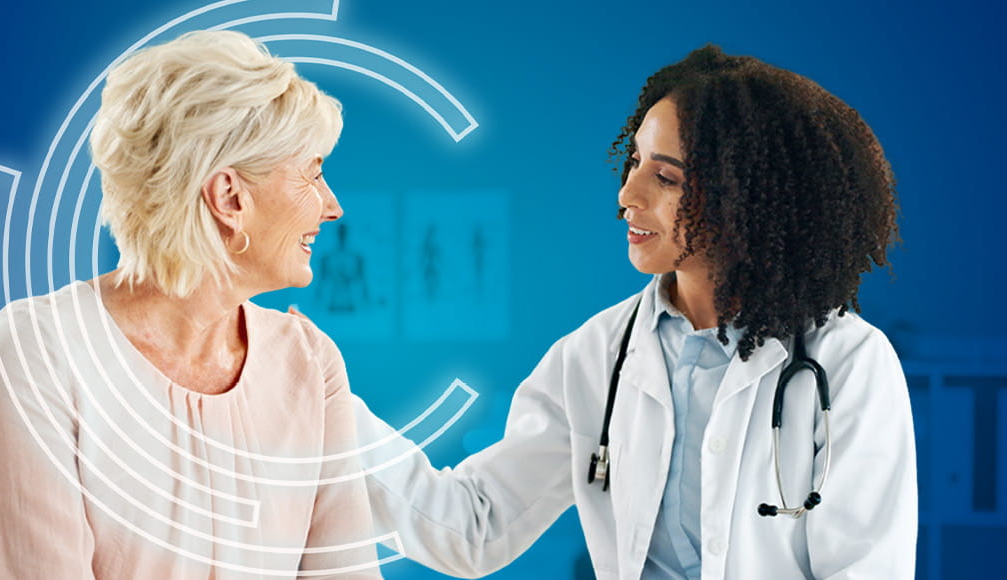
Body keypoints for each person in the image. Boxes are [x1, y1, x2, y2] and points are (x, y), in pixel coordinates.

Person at [351, 45, 915, 579]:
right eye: (636, 161)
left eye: (665, 177)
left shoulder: (848, 362)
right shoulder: (596, 355)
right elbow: (476, 526)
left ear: (746, 198)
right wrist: (327, 407)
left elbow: (865, 568)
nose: (627, 194)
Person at [0, 30, 380, 579]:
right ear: (229, 197)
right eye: (314, 172)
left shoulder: (309, 362)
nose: (332, 206)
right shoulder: (41, 352)